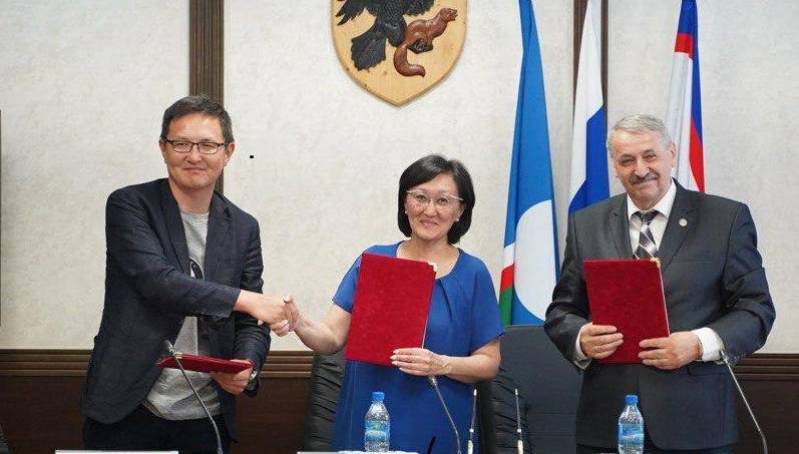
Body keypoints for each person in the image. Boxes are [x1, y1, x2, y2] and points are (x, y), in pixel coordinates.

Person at [545, 114, 775, 453]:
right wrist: (581, 337)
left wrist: (698, 344)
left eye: (650, 156)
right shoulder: (586, 224)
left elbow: (756, 311)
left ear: (671, 153)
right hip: (607, 420)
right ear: (615, 166)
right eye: (627, 160)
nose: (640, 170)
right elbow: (561, 311)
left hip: (696, 423)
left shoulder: (725, 219)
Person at [81, 95, 293, 453]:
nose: (194, 156)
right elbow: (158, 282)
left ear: (228, 152)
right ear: (163, 148)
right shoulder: (130, 205)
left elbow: (250, 323)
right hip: (127, 405)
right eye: (181, 144)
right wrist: (248, 300)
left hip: (206, 413)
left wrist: (247, 364)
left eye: (208, 145)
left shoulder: (243, 227)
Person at [289, 154, 503, 454]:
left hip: (440, 418)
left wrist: (441, 364)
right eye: (420, 197)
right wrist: (298, 322)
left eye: (443, 200)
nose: (429, 210)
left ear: (460, 210)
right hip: (370, 414)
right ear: (405, 203)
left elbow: (489, 361)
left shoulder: (473, 273)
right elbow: (331, 337)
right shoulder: (374, 260)